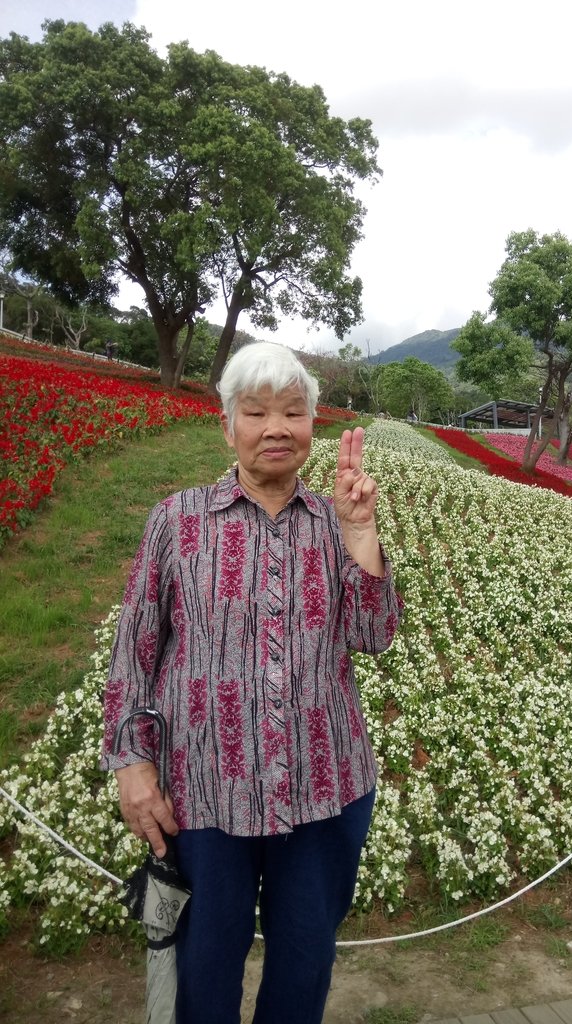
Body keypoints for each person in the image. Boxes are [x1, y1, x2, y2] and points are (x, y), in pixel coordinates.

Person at [101, 342, 403, 1024]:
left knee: (303, 967)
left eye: (293, 413)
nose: (276, 427)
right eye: (257, 411)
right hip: (205, 795)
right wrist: (132, 765)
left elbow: (375, 634)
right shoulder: (176, 522)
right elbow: (134, 652)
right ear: (227, 425)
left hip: (323, 792)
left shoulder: (335, 521)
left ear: (312, 428)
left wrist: (361, 533)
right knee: (202, 971)